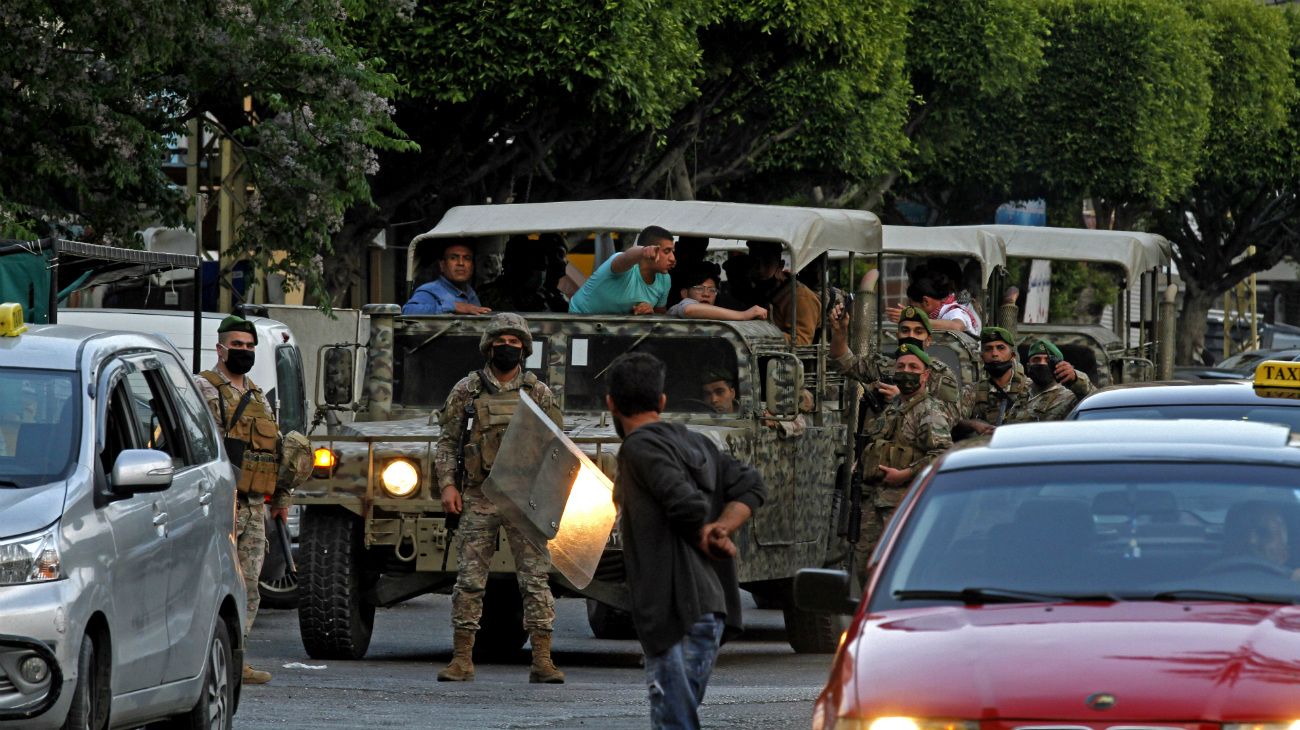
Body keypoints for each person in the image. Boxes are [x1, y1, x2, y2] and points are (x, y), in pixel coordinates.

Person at [605, 352, 766, 729]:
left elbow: (685, 504)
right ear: (661, 401)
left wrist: (707, 531)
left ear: (610, 403)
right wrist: (723, 526)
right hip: (709, 607)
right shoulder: (698, 443)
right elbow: (752, 485)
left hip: (674, 610)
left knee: (673, 722)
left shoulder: (638, 448)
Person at [434, 313, 566, 684]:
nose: (507, 347)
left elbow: (557, 448)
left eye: (514, 342)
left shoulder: (538, 393)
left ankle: (542, 659)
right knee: (470, 580)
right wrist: (448, 485)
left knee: (535, 581)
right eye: (500, 341)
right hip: (479, 496)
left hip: (525, 500)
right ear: (488, 346)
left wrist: (551, 496)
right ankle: (462, 659)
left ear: (525, 348)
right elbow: (448, 442)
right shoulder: (468, 390)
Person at [195, 315, 292, 685]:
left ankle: (237, 659)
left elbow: (275, 450)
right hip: (218, 503)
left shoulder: (256, 396)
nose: (245, 352)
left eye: (250, 347)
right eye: (237, 346)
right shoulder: (203, 388)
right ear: (220, 349)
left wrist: (281, 497)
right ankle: (204, 659)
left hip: (252, 505)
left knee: (248, 586)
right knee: (213, 585)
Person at [854, 345, 953, 583]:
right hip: (875, 500)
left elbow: (943, 453)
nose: (906, 372)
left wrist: (906, 473)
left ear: (925, 374)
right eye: (901, 367)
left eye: (913, 367)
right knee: (864, 567)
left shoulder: (930, 410)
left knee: (898, 570)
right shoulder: (892, 408)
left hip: (904, 502)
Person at [828, 293, 962, 422]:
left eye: (918, 332)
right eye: (905, 330)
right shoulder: (883, 364)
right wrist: (840, 331)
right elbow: (844, 361)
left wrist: (904, 398)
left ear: (928, 340)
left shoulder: (940, 373)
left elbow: (951, 416)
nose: (911, 336)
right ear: (898, 336)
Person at [569, 226, 676, 315]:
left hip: (618, 328)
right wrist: (643, 251)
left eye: (672, 251)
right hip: (580, 319)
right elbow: (626, 257)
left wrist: (649, 311)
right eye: (667, 251)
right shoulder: (622, 264)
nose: (673, 258)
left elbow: (660, 315)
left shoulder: (664, 279)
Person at [958, 326, 1031, 437]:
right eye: (988, 349)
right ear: (982, 356)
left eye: (1001, 348)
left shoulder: (1030, 388)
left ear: (1012, 356)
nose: (994, 354)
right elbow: (953, 419)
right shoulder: (972, 391)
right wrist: (973, 424)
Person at [746, 240, 820, 345]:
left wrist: (761, 336)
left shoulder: (799, 296)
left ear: (780, 265)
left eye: (767, 263)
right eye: (755, 263)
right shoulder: (757, 291)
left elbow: (802, 342)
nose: (760, 269)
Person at [403, 241, 491, 315]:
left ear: (472, 266)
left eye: (467, 258)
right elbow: (408, 310)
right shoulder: (431, 290)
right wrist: (454, 307)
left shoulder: (470, 293)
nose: (461, 263)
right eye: (453, 258)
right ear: (442, 265)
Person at [1017, 339, 1095, 422]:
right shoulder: (1020, 394)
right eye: (1036, 360)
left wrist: (1076, 378)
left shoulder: (1070, 397)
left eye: (1048, 360)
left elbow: (1094, 401)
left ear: (1060, 366)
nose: (1042, 363)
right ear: (1028, 366)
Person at [886, 270, 981, 336]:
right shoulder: (940, 313)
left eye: (914, 306)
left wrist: (914, 318)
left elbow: (957, 326)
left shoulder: (954, 311)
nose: (913, 309)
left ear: (926, 301)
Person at [478, 235, 557, 312]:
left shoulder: (548, 298)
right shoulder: (489, 296)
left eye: (543, 267)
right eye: (536, 266)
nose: (541, 273)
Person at [667, 261, 767, 322]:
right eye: (699, 288)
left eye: (712, 290)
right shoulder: (679, 307)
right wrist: (743, 315)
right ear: (684, 293)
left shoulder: (715, 314)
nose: (706, 294)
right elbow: (689, 310)